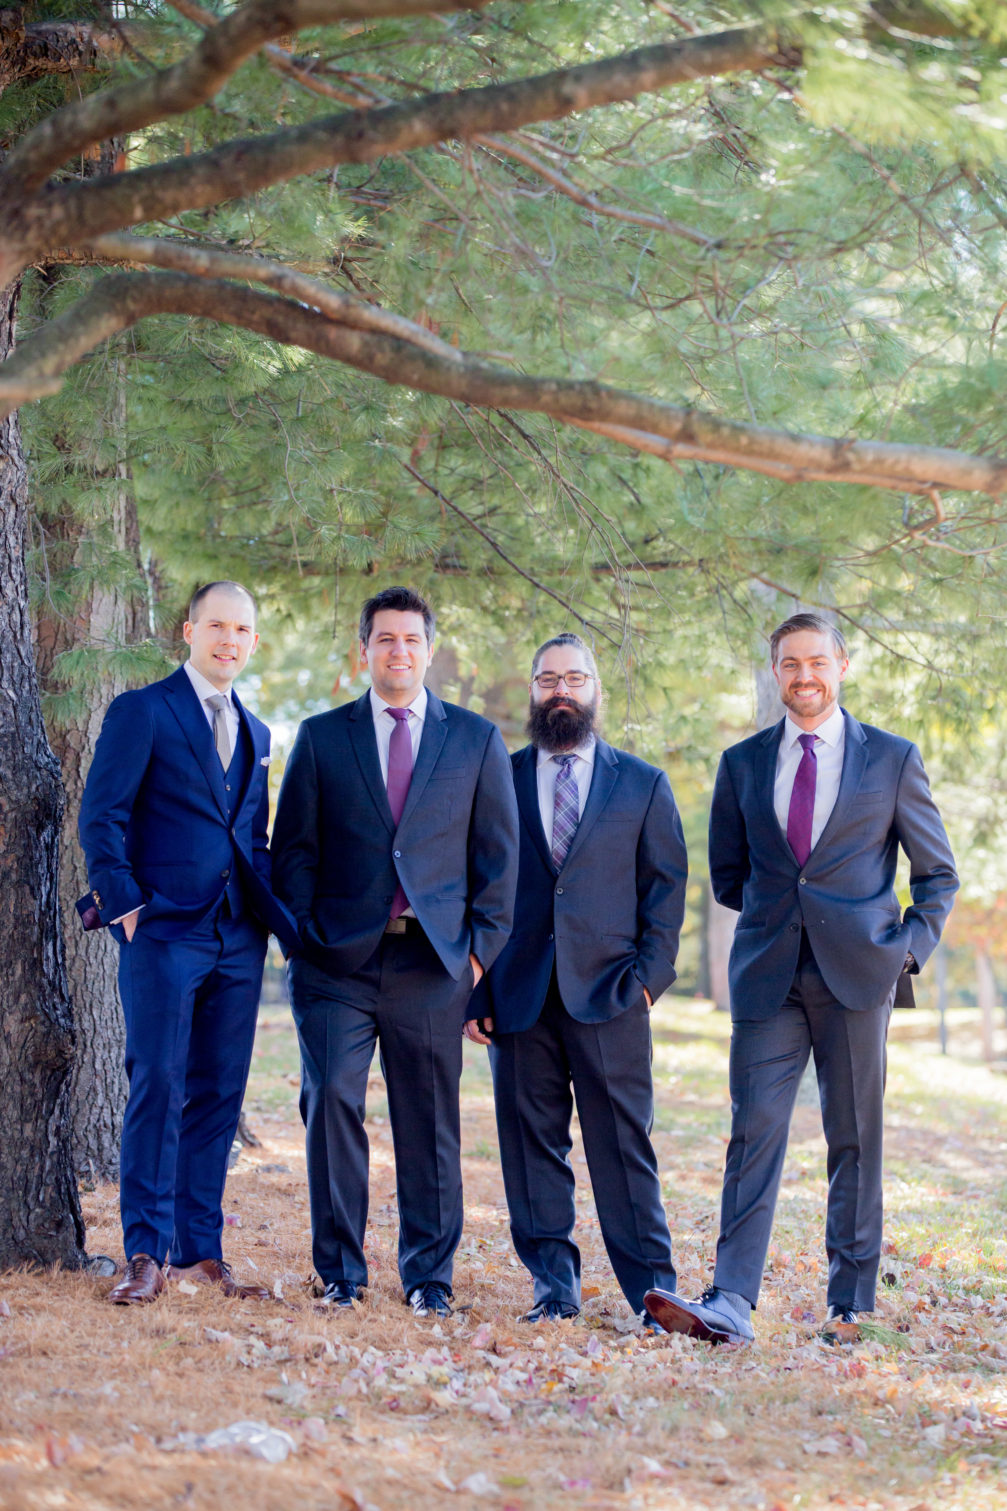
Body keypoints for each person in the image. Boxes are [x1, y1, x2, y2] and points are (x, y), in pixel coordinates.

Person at [645, 613, 958, 1346]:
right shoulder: (743, 762)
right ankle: (729, 1299)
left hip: (860, 972)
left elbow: (936, 875)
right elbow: (730, 873)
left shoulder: (890, 759)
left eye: (815, 660)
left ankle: (849, 1305)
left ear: (841, 664)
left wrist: (903, 950)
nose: (803, 675)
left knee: (853, 1137)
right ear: (774, 672)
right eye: (788, 664)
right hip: (767, 978)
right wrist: (777, 915)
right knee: (751, 1131)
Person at [272, 586, 519, 1318]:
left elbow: (499, 863)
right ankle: (340, 1270)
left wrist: (474, 961)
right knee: (332, 1103)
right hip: (335, 966)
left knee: (429, 1118)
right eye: (384, 639)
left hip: (433, 965)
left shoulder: (474, 739)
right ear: (364, 650)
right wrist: (303, 944)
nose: (398, 651)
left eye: (411, 639)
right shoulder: (321, 737)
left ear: (429, 649)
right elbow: (293, 855)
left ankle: (429, 1277)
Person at [79, 580, 298, 1305]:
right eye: (216, 626)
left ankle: (201, 1252)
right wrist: (126, 906)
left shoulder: (260, 733)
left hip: (238, 938)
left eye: (241, 629)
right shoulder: (143, 710)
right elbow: (101, 815)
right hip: (164, 929)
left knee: (217, 1094)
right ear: (189, 631)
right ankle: (143, 1250)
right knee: (158, 1084)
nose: (228, 640)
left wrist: (266, 916)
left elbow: (250, 837)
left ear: (253, 641)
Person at [468, 632, 688, 1328]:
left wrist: (649, 979)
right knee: (531, 1147)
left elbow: (665, 886)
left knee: (624, 1148)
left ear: (594, 688)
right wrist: (477, 989)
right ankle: (552, 1287)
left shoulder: (641, 782)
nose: (559, 689)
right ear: (532, 690)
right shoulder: (494, 776)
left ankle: (653, 1294)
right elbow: (474, 885)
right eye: (545, 678)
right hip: (518, 994)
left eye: (573, 677)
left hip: (612, 995)